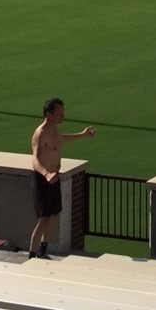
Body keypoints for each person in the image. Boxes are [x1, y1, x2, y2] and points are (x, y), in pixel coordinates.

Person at [29, 97, 94, 258]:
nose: (62, 116)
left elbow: (62, 139)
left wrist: (83, 135)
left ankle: (43, 250)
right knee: (44, 218)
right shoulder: (41, 133)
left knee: (52, 216)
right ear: (49, 114)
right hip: (43, 179)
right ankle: (31, 254)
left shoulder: (54, 130)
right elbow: (35, 159)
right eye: (59, 114)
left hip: (54, 178)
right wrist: (46, 174)